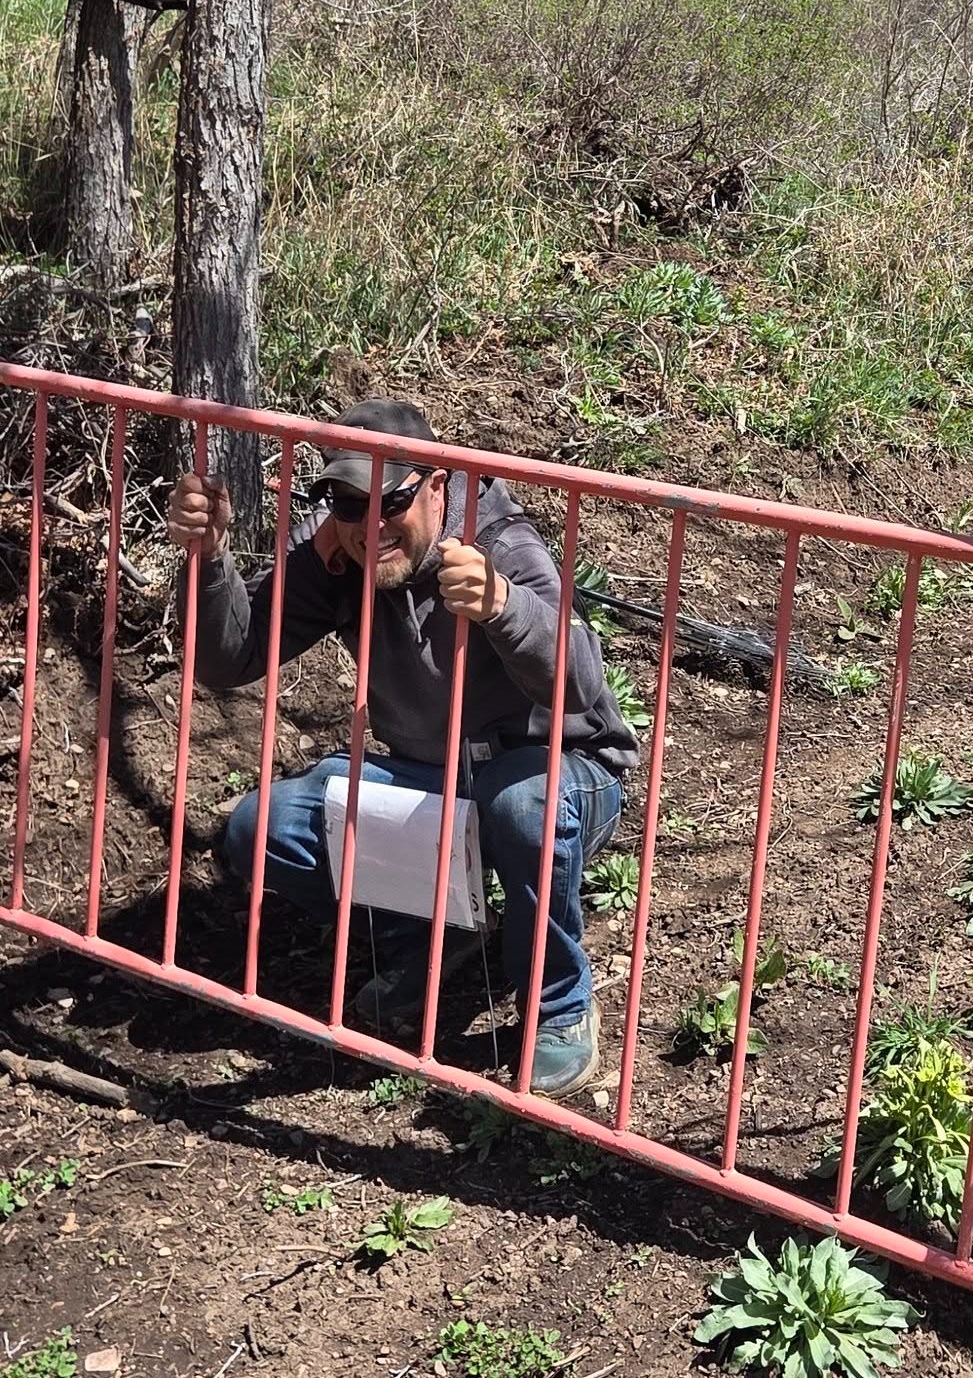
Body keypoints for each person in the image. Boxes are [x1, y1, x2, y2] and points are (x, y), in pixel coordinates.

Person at [166, 399, 639, 1100]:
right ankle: (426, 934)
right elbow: (232, 658)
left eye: (391, 501)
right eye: (349, 505)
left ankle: (560, 1004)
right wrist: (208, 560)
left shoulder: (500, 542)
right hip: (432, 777)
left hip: (559, 773)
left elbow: (581, 683)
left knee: (520, 804)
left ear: (437, 484)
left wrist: (503, 606)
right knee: (262, 827)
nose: (371, 525)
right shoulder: (336, 550)